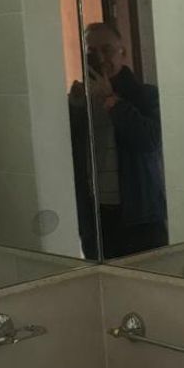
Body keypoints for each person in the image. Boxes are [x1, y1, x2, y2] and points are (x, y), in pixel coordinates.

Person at [69, 22, 168, 259]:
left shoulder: (146, 95)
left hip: (140, 218)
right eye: (91, 52)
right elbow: (64, 155)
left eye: (107, 50)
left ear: (122, 53)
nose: (101, 58)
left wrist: (112, 101)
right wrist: (74, 108)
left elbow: (150, 141)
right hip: (95, 219)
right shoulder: (79, 103)